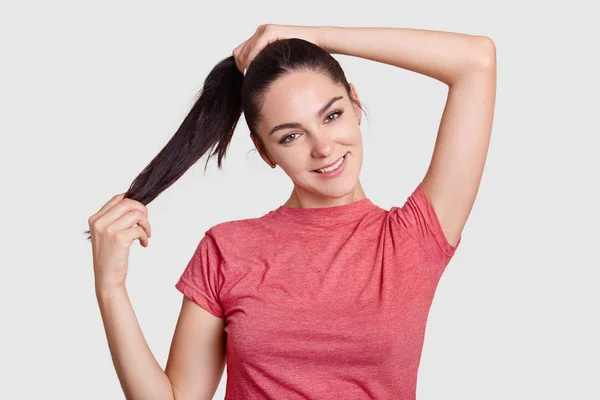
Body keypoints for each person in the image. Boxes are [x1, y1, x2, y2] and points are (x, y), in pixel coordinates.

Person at [86, 24, 496, 400]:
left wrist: (316, 36)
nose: (323, 147)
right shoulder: (227, 248)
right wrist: (111, 287)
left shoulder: (413, 237)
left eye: (332, 115)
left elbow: (476, 61)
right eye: (291, 136)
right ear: (265, 152)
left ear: (355, 104)